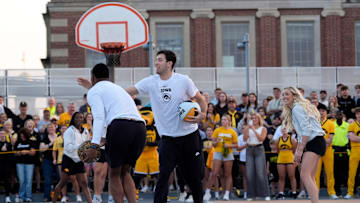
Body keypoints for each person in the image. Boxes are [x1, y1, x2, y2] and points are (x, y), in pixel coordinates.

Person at [78, 63, 146, 203]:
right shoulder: (118, 88)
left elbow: (99, 117)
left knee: (114, 173)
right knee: (126, 171)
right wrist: (104, 137)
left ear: (93, 77)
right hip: (139, 127)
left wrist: (94, 145)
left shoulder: (94, 91)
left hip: (120, 126)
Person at [281, 87, 326, 203]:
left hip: (314, 141)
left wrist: (299, 151)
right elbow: (303, 133)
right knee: (310, 176)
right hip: (316, 141)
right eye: (283, 94)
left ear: (294, 96)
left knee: (305, 175)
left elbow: (307, 130)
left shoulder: (297, 108)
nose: (284, 96)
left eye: (287, 94)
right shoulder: (297, 108)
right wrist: (298, 152)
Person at [52, 112, 92, 203]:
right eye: (77, 117)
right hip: (68, 160)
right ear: (73, 119)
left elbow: (88, 144)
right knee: (62, 183)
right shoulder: (69, 131)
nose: (79, 119)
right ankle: (53, 201)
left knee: (84, 184)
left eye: (81, 117)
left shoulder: (86, 131)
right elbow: (68, 147)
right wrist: (81, 147)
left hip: (79, 161)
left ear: (83, 119)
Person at [203, 114, 238, 201]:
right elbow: (213, 144)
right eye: (222, 120)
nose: (223, 121)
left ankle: (226, 194)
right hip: (218, 152)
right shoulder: (217, 130)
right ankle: (207, 192)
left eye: (225, 120)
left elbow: (236, 145)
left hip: (228, 153)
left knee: (228, 174)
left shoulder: (233, 132)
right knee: (214, 173)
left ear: (229, 121)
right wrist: (216, 141)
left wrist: (228, 145)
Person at [243, 112, 270, 201]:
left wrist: (253, 129)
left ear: (259, 119)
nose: (253, 120)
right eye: (252, 118)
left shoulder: (263, 128)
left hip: (259, 149)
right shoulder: (248, 128)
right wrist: (247, 128)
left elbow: (261, 139)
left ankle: (265, 194)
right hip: (249, 149)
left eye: (255, 118)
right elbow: (244, 139)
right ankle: (251, 195)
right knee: (249, 173)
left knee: (260, 172)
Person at [315, 105, 337, 199]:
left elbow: (330, 140)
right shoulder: (314, 123)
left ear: (326, 113)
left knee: (329, 172)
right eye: (320, 111)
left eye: (323, 111)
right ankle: (315, 192)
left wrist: (321, 142)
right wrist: (323, 141)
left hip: (327, 150)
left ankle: (331, 192)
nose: (321, 112)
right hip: (316, 151)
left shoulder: (331, 123)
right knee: (315, 173)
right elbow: (314, 139)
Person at [14, 128, 36, 202]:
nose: (22, 137)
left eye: (23, 135)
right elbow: (14, 152)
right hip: (19, 163)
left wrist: (27, 152)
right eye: (21, 136)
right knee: (21, 180)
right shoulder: (17, 142)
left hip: (29, 164)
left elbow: (33, 152)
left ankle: (28, 196)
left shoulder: (31, 142)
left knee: (28, 180)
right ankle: (21, 196)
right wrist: (19, 153)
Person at [275, 127, 297, 199]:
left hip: (290, 158)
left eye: (285, 129)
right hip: (281, 158)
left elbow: (294, 149)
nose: (284, 131)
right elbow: (277, 150)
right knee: (281, 177)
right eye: (282, 129)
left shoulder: (292, 139)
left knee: (292, 176)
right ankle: (281, 193)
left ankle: (294, 192)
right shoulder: (278, 139)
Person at [344, 107, 360, 199]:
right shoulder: (352, 125)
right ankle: (350, 192)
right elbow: (352, 138)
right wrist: (355, 138)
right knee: (352, 172)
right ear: (355, 115)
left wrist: (356, 138)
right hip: (355, 150)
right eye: (358, 114)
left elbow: (355, 137)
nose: (359, 115)